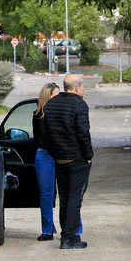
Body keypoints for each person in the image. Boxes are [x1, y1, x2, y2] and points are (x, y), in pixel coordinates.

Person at [41, 74, 93, 250]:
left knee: (64, 197)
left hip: (59, 159)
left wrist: (54, 152)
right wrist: (88, 155)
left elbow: (45, 134)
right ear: (77, 87)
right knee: (74, 198)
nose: (84, 90)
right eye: (83, 86)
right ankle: (68, 238)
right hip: (77, 159)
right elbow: (83, 133)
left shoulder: (51, 104)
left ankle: (69, 235)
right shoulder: (79, 105)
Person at [33, 83, 84, 241]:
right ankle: (47, 230)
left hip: (62, 154)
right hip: (46, 155)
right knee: (46, 194)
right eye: (56, 95)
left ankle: (75, 229)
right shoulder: (38, 115)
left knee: (69, 193)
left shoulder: (64, 112)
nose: (60, 98)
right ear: (47, 97)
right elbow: (38, 139)